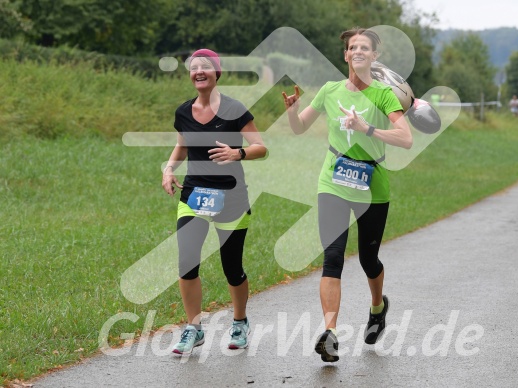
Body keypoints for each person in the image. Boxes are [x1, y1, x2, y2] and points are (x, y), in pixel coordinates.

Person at [282, 27, 413, 362]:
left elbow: (405, 139)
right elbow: (298, 128)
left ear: (374, 56)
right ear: (346, 55)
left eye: (364, 48)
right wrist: (292, 110)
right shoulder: (329, 90)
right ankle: (330, 334)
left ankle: (378, 307)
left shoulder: (383, 95)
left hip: (372, 186)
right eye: (352, 47)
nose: (357, 51)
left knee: (369, 259)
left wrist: (367, 128)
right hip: (333, 182)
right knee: (333, 257)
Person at [162, 49, 267, 354]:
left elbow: (261, 146)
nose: (199, 72)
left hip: (231, 197)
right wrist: (169, 169)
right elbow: (182, 144)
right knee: (187, 261)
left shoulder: (235, 109)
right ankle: (193, 328)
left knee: (231, 267)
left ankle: (240, 322)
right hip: (194, 195)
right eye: (194, 68)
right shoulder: (183, 112)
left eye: (205, 67)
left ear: (216, 73)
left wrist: (239, 153)